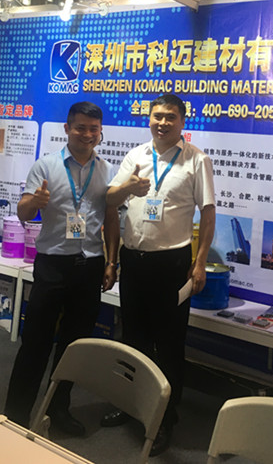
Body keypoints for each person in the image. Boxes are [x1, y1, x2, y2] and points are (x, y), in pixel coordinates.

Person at [102, 94, 215, 455]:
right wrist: (129, 188)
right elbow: (110, 198)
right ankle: (130, 404)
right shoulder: (136, 155)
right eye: (157, 116)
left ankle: (164, 419)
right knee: (133, 337)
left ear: (182, 121)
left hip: (172, 265)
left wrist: (200, 262)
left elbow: (208, 214)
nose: (162, 123)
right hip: (134, 261)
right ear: (149, 118)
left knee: (168, 344)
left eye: (170, 117)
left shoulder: (196, 160)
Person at [4, 101, 119, 436]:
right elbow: (24, 212)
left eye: (93, 129)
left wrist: (111, 261)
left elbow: (111, 218)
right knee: (36, 342)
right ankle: (15, 414)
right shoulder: (46, 166)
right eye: (80, 127)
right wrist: (34, 203)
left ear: (100, 132)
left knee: (74, 346)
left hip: (90, 265)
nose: (87, 134)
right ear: (67, 129)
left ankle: (59, 408)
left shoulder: (106, 170)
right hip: (52, 264)